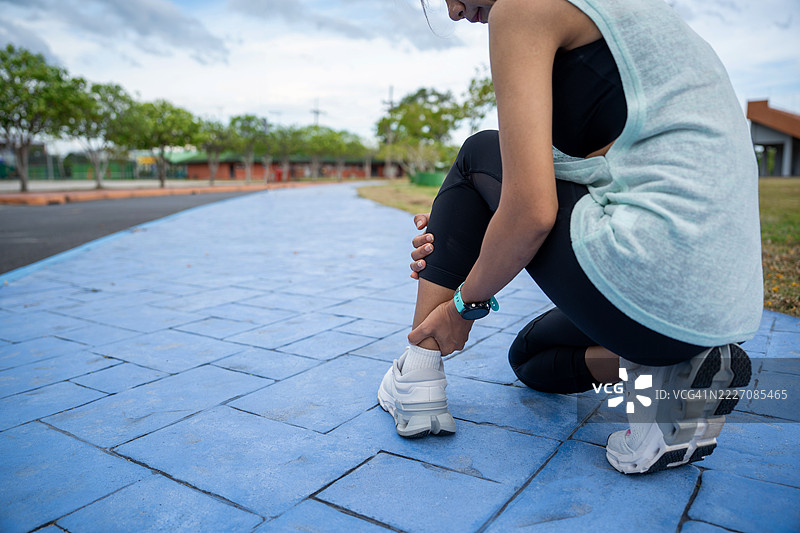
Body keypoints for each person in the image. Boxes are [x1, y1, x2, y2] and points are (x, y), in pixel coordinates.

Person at [377, 0, 762, 474]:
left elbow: (531, 213)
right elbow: (593, 170)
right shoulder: (633, 18)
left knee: (478, 152)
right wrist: (459, 219)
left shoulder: (521, 8)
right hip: (720, 305)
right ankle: (668, 379)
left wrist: (462, 307)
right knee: (532, 360)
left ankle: (419, 371)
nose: (454, 11)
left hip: (658, 284)